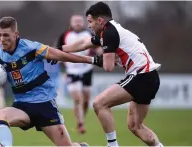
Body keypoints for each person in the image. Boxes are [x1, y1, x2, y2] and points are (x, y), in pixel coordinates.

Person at [0, 16, 102, 146]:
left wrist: (91, 60)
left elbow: (62, 55)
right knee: (0, 116)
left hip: (44, 104)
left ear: (16, 34)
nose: (2, 39)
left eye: (6, 35)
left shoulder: (31, 47)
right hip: (22, 106)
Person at [52, 2, 163, 147]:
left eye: (90, 22)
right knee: (135, 126)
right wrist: (59, 50)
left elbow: (108, 66)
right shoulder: (111, 30)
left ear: (100, 21)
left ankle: (112, 145)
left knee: (99, 104)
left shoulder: (109, 32)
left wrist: (91, 60)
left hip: (141, 76)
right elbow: (84, 43)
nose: (89, 26)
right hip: (151, 77)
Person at [56, 14, 95, 134]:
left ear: (83, 23)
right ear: (71, 23)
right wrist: (60, 62)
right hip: (71, 70)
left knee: (86, 100)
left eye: (80, 21)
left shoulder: (89, 35)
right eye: (75, 21)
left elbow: (98, 48)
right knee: (77, 98)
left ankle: (81, 116)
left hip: (87, 69)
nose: (78, 23)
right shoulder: (65, 35)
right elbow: (57, 50)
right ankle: (80, 123)